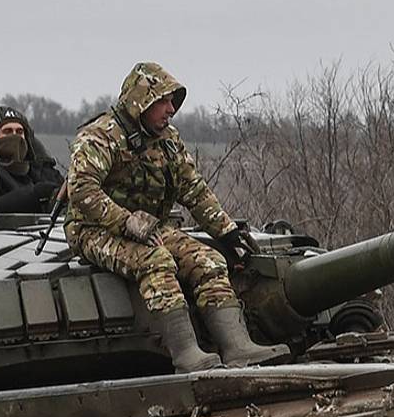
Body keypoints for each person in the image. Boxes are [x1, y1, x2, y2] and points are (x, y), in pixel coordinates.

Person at [65, 60, 288, 372]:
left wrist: (226, 231)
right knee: (155, 261)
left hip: (149, 226)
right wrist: (125, 221)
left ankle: (238, 347)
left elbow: (192, 189)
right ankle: (186, 353)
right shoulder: (99, 137)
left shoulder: (168, 140)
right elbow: (82, 190)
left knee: (208, 260)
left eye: (173, 102)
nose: (171, 109)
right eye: (164, 101)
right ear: (141, 101)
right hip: (95, 229)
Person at [0, 104, 63, 222]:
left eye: (19, 132)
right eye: (7, 131)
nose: (14, 136)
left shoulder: (42, 173)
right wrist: (35, 196)